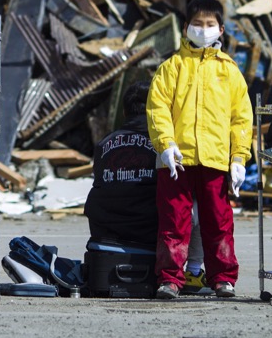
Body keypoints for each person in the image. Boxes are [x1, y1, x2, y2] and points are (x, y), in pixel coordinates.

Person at [146, 0, 253, 299]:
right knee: (173, 223)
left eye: (209, 25)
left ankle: (222, 278)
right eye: (197, 24)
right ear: (186, 27)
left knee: (218, 222)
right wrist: (165, 145)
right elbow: (158, 109)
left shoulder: (230, 71)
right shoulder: (171, 67)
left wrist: (239, 158)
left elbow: (241, 118)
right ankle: (170, 279)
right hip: (175, 162)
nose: (203, 30)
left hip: (215, 160)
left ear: (221, 29)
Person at [85, 81, 209, 294]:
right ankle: (194, 272)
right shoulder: (167, 145)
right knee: (199, 201)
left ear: (124, 111)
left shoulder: (103, 143)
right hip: (149, 230)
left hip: (104, 230)